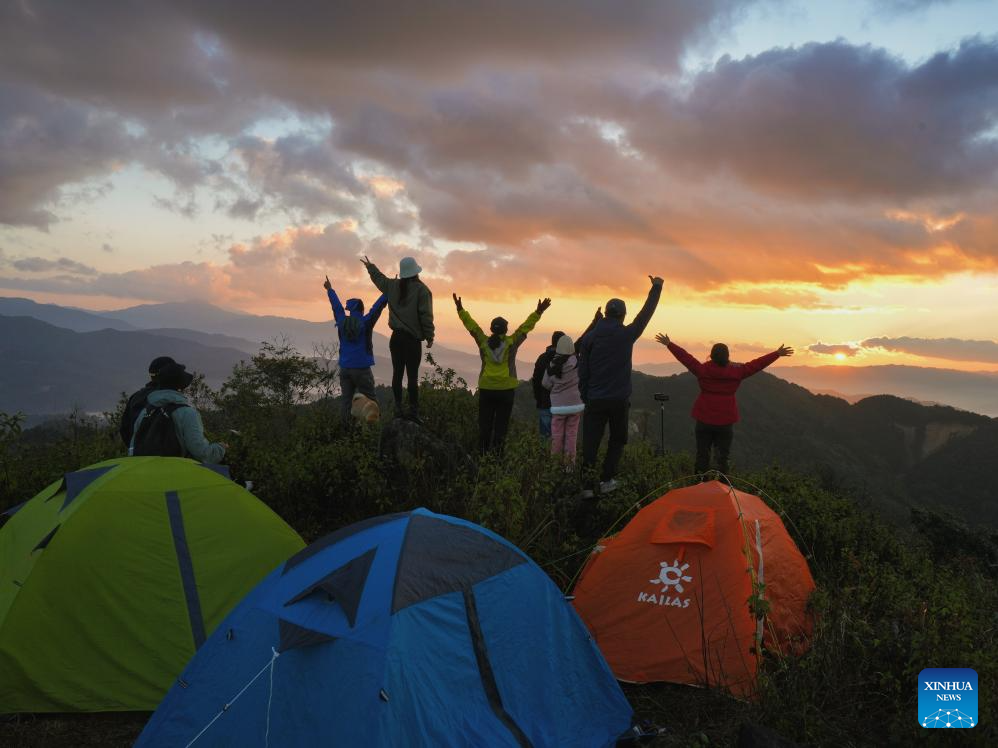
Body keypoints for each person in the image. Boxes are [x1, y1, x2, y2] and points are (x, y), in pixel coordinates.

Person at [656, 333, 794, 475]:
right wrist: (776, 354)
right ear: (727, 356)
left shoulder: (702, 370)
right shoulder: (737, 372)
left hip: (704, 419)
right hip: (725, 422)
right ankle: (723, 488)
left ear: (711, 356)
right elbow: (756, 365)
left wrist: (669, 344)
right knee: (722, 458)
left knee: (702, 455)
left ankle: (699, 485)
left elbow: (686, 358)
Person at [579, 276, 664, 497]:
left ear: (606, 313)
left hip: (595, 399)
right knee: (617, 439)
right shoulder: (627, 334)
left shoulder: (590, 338)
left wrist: (585, 394)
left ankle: (587, 486)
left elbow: (583, 370)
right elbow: (645, 315)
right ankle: (607, 480)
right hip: (618, 400)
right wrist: (656, 287)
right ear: (623, 316)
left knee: (590, 441)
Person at [454, 293, 551, 454]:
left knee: (485, 426)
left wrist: (460, 309)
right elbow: (525, 328)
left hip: (486, 389)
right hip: (506, 391)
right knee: (501, 428)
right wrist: (538, 312)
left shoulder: (483, 342)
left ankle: (482, 457)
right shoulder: (511, 343)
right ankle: (497, 460)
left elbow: (472, 327)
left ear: (491, 329)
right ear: (506, 331)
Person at [361, 255, 434, 422]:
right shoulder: (422, 291)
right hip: (412, 341)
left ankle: (398, 409)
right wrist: (429, 336)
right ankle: (414, 413)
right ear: (416, 272)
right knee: (412, 377)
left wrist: (370, 267)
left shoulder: (392, 286)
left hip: (396, 339)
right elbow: (426, 316)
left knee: (397, 374)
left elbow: (380, 280)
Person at [129, 362, 227, 463]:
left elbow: (132, 449)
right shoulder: (188, 413)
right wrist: (220, 448)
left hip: (145, 472)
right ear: (181, 388)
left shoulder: (146, 411)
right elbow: (202, 454)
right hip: (174, 473)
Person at [323, 274, 387, 423]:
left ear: (350, 310)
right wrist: (387, 293)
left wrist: (330, 289)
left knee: (346, 401)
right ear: (361, 310)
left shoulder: (342, 320)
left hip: (345, 368)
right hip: (362, 368)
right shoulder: (366, 322)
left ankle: (346, 430)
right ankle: (374, 430)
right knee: (371, 399)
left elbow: (336, 306)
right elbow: (376, 309)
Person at [542, 334, 585, 464]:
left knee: (557, 437)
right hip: (575, 406)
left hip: (558, 408)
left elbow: (545, 384)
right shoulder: (578, 363)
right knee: (571, 436)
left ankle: (555, 467)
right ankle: (569, 466)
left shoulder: (552, 364)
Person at [119, 356, 175, 447]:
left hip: (137, 456)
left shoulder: (135, 397)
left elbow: (124, 429)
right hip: (166, 458)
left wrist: (135, 448)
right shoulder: (169, 399)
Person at [531, 331, 565, 439]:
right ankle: (559, 456)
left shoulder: (542, 358)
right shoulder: (567, 360)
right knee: (560, 437)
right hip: (561, 404)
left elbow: (536, 381)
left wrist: (538, 399)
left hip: (544, 402)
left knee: (545, 437)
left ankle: (544, 455)